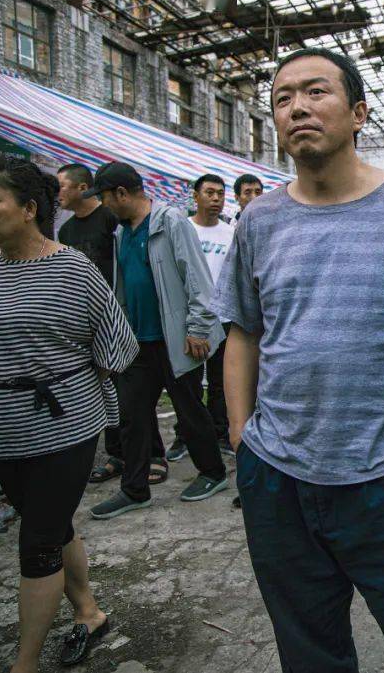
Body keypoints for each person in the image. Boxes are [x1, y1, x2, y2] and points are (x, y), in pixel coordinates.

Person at [212, 47, 384, 672]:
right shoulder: (259, 219)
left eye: (316, 92)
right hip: (278, 476)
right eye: (282, 99)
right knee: (310, 651)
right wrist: (242, 437)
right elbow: (242, 333)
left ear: (358, 113)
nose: (297, 108)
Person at [0, 158, 138, 672]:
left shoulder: (74, 269)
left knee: (38, 543)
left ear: (29, 208)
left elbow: (116, 345)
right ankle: (89, 612)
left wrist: (65, 378)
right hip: (1, 427)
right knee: (47, 523)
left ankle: (23, 664)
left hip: (66, 423)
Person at [87, 161, 229, 520]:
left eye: (104, 197)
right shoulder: (123, 232)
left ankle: (212, 473)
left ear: (121, 193)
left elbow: (196, 277)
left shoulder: (170, 222)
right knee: (132, 415)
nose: (103, 205)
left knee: (190, 409)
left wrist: (198, 328)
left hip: (175, 338)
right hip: (137, 342)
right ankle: (134, 489)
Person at [56, 164, 168, 485]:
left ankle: (153, 453)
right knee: (105, 390)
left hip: (119, 318)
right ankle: (118, 454)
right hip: (87, 321)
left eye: (62, 186)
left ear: (81, 188)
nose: (58, 194)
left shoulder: (111, 219)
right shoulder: (66, 232)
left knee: (134, 392)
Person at [168, 173, 235, 458]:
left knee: (221, 382)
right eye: (209, 192)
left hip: (224, 319)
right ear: (195, 197)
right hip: (191, 320)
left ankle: (220, 433)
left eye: (220, 193)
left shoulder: (231, 233)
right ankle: (186, 436)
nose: (216, 199)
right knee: (188, 384)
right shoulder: (184, 230)